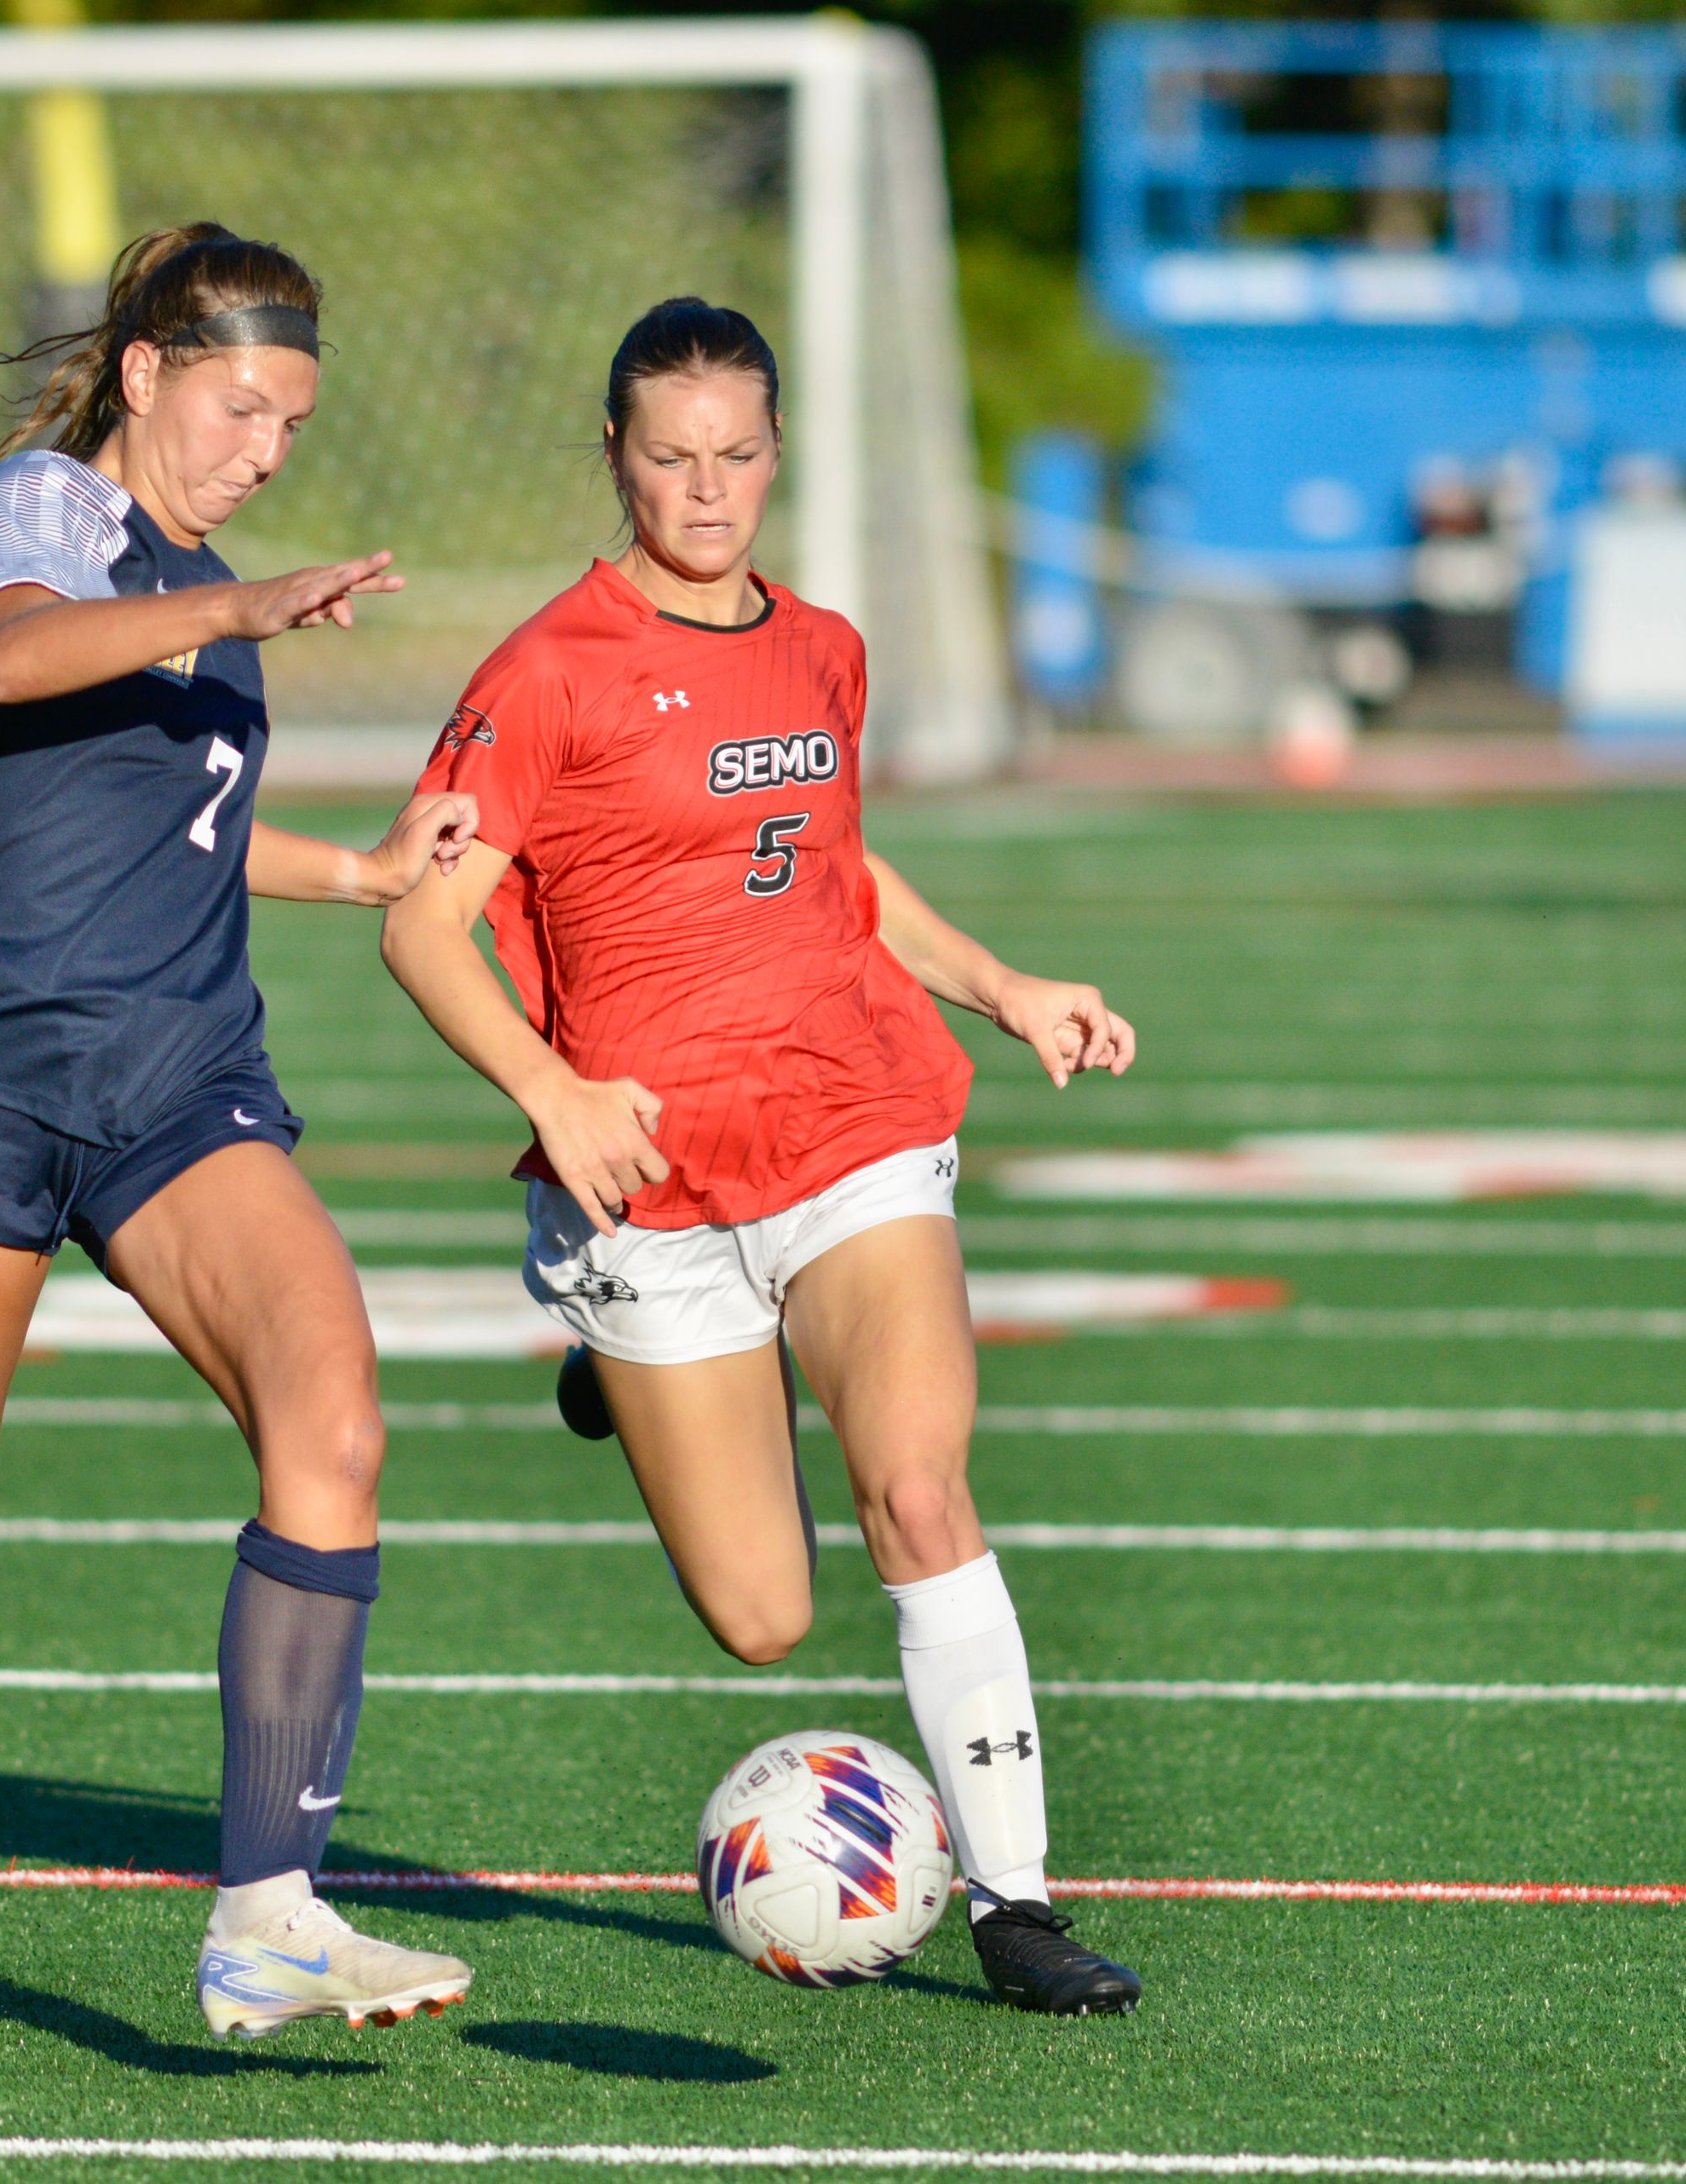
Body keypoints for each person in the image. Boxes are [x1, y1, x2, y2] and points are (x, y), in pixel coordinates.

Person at [379, 297, 1145, 2016]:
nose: (706, 489)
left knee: (919, 1487)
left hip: (853, 1113)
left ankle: (1016, 1903)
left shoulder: (825, 648)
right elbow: (428, 928)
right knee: (761, 1620)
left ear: (776, 454)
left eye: (736, 455)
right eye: (670, 457)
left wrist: (1005, 985)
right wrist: (554, 1092)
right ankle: (609, 1349)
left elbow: (837, 875)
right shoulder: (542, 674)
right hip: (647, 1177)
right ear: (615, 457)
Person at [0, 223, 486, 2042]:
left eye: (292, 426)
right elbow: (19, 666)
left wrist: (363, 872)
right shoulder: (38, 512)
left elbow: (172, 825)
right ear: (155, 370)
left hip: (176, 1077)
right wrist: (235, 608)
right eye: (241, 406)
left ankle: (267, 1912)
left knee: (331, 1408)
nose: (263, 450)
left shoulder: (197, 584)